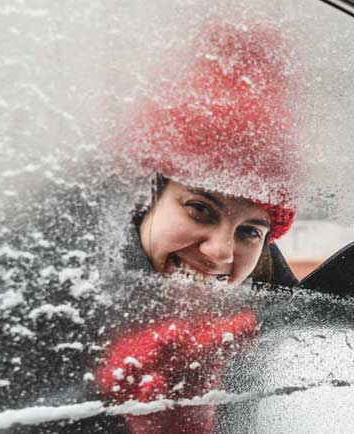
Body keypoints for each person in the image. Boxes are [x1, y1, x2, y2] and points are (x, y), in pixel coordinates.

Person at [93, 18, 304, 434]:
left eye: (250, 231)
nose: (221, 253)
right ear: (143, 201)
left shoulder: (263, 310)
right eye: (200, 209)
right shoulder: (48, 293)